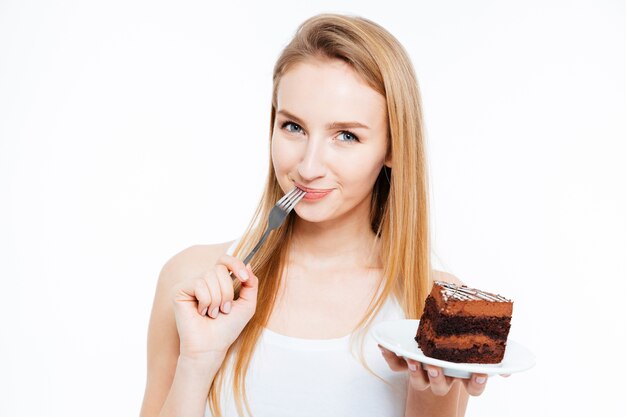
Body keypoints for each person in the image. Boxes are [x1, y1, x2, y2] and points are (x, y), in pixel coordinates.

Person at [140, 13, 492, 417]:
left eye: (346, 136)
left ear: (393, 148)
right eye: (293, 127)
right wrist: (197, 362)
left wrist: (432, 398)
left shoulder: (435, 306)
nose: (308, 167)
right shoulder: (193, 282)